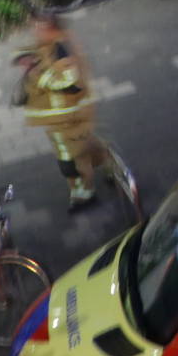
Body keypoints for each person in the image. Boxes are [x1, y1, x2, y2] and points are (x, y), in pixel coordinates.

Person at [17, 14, 114, 212]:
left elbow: (70, 83)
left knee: (70, 159)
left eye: (39, 26)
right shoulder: (53, 41)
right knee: (84, 145)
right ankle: (109, 162)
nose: (35, 30)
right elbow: (28, 50)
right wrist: (24, 58)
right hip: (65, 117)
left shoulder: (62, 51)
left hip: (67, 117)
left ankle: (83, 196)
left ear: (50, 27)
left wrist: (39, 77)